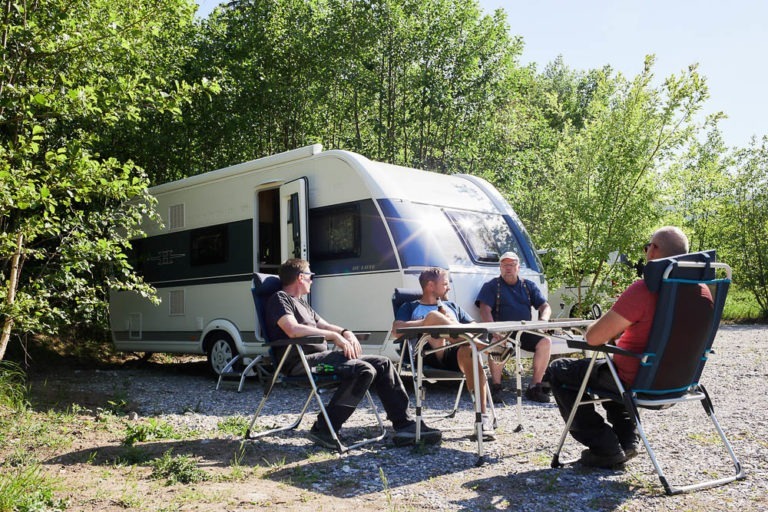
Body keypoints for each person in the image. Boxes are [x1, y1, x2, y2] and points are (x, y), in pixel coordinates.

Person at [548, 226, 693, 468]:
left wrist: (603, 321)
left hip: (636, 380)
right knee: (608, 368)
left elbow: (594, 338)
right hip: (678, 381)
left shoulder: (645, 290)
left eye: (648, 247)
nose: (646, 252)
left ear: (654, 250)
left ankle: (605, 447)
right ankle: (627, 441)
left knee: (560, 369)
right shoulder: (702, 292)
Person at [265, 258, 442, 448]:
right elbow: (292, 329)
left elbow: (324, 324)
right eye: (311, 276)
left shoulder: (302, 304)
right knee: (363, 370)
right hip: (302, 362)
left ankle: (405, 424)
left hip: (321, 358)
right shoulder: (280, 298)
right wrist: (334, 337)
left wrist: (344, 332)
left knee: (383, 363)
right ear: (301, 277)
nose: (312, 280)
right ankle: (323, 428)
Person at [392, 267, 495, 440]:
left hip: (453, 353)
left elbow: (475, 327)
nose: (448, 287)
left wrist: (453, 323)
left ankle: (482, 420)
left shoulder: (452, 306)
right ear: (431, 286)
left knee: (470, 351)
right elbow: (396, 330)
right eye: (445, 283)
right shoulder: (410, 306)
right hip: (427, 355)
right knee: (433, 316)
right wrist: (426, 323)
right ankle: (488, 348)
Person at [475, 251, 553, 404]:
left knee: (545, 342)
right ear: (500, 268)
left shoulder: (528, 285)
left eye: (511, 265)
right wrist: (493, 329)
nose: (508, 268)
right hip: (501, 330)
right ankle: (496, 386)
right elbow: (484, 309)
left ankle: (534, 387)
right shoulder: (492, 286)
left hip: (524, 330)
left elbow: (545, 306)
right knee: (496, 344)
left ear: (518, 267)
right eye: (504, 265)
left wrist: (543, 321)